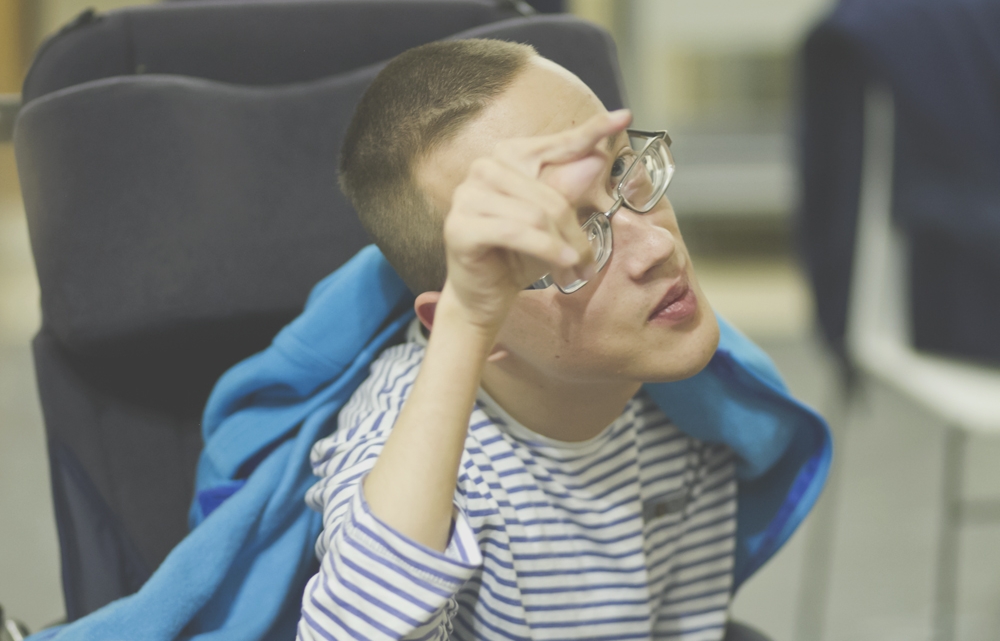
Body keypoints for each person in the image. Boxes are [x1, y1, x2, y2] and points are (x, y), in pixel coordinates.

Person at [294, 38, 803, 641]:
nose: (658, 246)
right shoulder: (415, 457)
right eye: (565, 239)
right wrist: (467, 324)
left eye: (621, 171)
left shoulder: (694, 408)